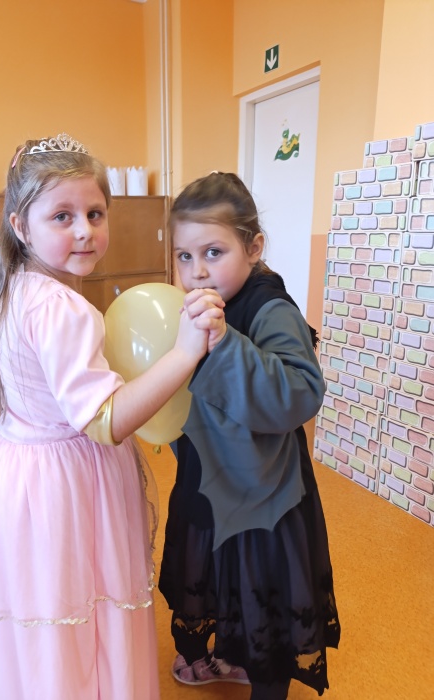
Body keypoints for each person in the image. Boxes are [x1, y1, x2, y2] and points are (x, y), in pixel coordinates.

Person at [0, 133, 225, 700]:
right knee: (87, 610)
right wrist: (185, 352)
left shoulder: (13, 290)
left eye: (94, 213)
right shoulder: (62, 308)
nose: (84, 230)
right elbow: (104, 421)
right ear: (20, 225)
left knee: (45, 619)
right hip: (65, 489)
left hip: (20, 479)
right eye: (62, 216)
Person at [159, 171, 341, 700]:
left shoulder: (269, 307)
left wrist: (225, 341)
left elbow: (301, 393)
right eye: (184, 256)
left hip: (264, 495)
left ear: (253, 248)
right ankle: (218, 654)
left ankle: (264, 678)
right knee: (210, 571)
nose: (196, 271)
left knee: (262, 591)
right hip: (208, 476)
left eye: (213, 253)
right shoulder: (193, 305)